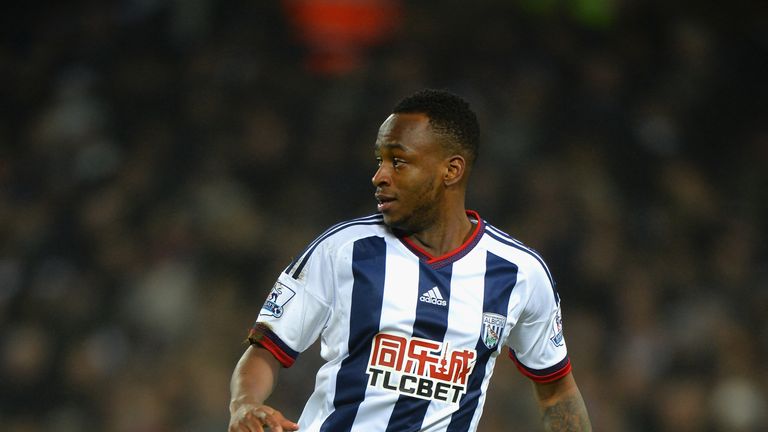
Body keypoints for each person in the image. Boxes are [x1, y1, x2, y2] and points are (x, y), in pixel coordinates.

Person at [228, 89, 592, 432]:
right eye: (380, 160)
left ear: (451, 170)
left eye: (398, 162)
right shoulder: (343, 250)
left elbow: (557, 391)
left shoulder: (519, 273)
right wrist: (244, 403)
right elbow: (265, 351)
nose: (379, 176)